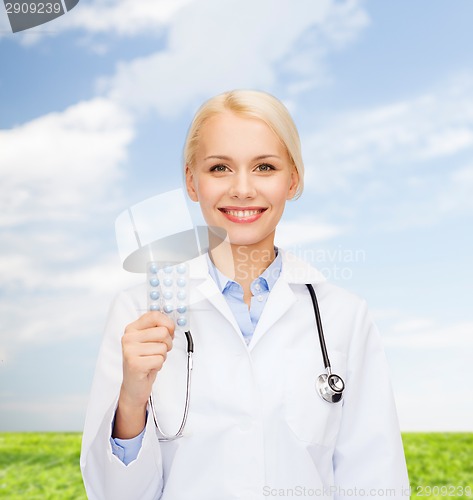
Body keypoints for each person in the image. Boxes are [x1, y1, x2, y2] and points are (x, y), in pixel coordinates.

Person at [80, 90, 409, 499]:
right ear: (191, 182)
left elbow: (377, 482)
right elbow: (116, 495)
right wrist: (132, 398)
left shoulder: (344, 316)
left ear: (293, 180)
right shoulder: (137, 311)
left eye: (264, 167)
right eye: (219, 168)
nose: (242, 189)